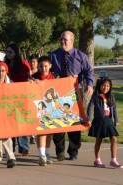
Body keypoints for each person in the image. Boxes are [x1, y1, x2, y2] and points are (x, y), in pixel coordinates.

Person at [49, 30, 95, 161]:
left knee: (74, 122)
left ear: (72, 41)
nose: (63, 42)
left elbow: (89, 72)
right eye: (61, 39)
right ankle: (60, 150)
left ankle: (73, 150)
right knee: (57, 122)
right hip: (58, 93)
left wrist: (90, 85)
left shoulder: (81, 56)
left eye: (65, 40)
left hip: (75, 92)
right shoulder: (53, 55)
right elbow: (47, 70)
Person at [87, 77, 122, 168]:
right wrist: (89, 119)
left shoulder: (111, 96)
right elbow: (90, 107)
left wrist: (116, 119)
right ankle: (97, 160)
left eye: (108, 86)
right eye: (104, 85)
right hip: (99, 120)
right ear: (99, 86)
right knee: (99, 140)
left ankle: (113, 160)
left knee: (114, 139)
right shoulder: (96, 95)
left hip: (108, 120)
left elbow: (114, 108)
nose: (106, 88)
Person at [5, 43, 31, 156]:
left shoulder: (23, 64)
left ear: (16, 52)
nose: (8, 54)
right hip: (8, 96)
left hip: (21, 95)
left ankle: (24, 146)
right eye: (7, 52)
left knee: (21, 121)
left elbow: (29, 77)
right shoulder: (4, 64)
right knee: (11, 122)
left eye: (10, 52)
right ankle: (12, 147)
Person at [31, 56, 58, 166]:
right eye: (41, 66)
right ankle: (41, 155)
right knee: (41, 132)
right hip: (39, 108)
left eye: (46, 66)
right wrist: (32, 83)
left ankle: (46, 153)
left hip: (51, 108)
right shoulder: (33, 77)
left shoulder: (55, 77)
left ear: (50, 66)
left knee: (48, 132)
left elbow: (62, 89)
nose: (43, 68)